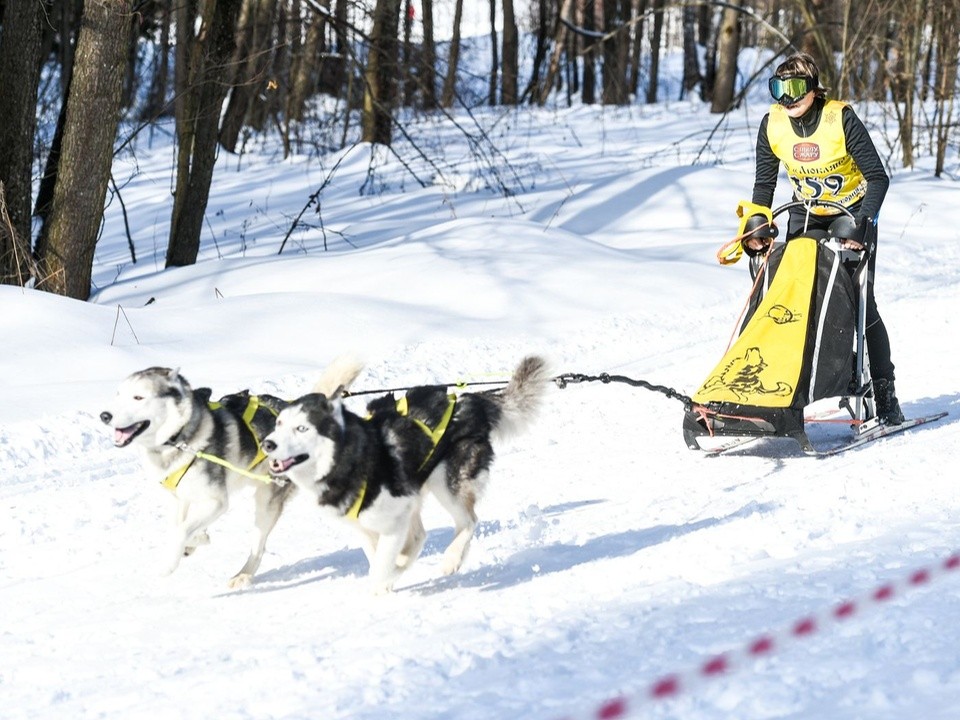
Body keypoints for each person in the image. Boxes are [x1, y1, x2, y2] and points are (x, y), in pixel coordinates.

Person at [743, 52, 904, 424]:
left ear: (814, 89)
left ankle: (885, 395)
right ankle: (783, 395)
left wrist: (862, 226)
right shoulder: (773, 125)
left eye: (796, 88)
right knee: (791, 301)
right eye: (778, 89)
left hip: (852, 212)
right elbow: (765, 184)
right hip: (808, 212)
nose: (788, 97)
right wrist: (758, 225)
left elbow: (878, 178)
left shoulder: (839, 118)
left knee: (862, 301)